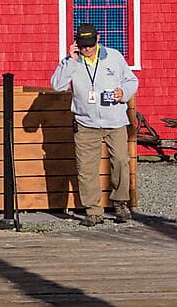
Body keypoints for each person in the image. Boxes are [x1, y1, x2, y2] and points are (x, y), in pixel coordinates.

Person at [51, 23, 138, 225]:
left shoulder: (114, 57)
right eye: (83, 45)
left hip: (115, 121)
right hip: (85, 123)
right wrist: (71, 61)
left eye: (90, 44)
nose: (87, 49)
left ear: (98, 39)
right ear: (76, 44)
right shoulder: (71, 61)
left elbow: (131, 81)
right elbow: (57, 85)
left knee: (121, 162)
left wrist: (123, 93)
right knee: (86, 168)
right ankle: (93, 210)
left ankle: (120, 203)